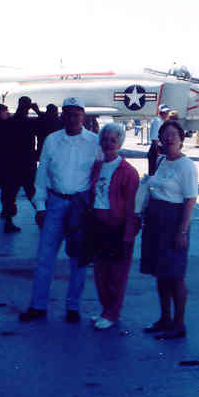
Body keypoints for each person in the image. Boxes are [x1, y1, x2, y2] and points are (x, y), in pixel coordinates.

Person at [19, 97, 102, 323]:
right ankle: (38, 306)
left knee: (78, 260)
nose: (72, 118)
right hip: (55, 203)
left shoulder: (95, 142)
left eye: (76, 113)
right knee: (45, 257)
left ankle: (73, 307)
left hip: (80, 207)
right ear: (62, 116)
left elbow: (103, 173)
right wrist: (40, 206)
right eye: (68, 113)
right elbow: (42, 174)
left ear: (83, 116)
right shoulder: (52, 141)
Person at [140, 120, 197, 339]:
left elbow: (190, 199)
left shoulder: (187, 166)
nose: (169, 138)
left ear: (182, 139)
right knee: (161, 274)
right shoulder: (162, 160)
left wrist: (182, 231)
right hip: (156, 221)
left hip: (174, 221)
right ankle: (164, 318)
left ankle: (178, 323)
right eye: (165, 134)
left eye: (174, 134)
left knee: (176, 275)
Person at [88, 123, 140, 330]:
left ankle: (112, 313)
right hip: (98, 226)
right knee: (100, 272)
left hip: (117, 227)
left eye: (113, 140)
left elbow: (132, 206)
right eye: (105, 139)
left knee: (116, 274)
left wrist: (129, 233)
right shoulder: (97, 166)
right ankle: (105, 309)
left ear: (120, 143)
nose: (108, 143)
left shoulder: (128, 172)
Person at [147, 104, 171, 175]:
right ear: (160, 113)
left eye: (167, 112)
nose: (166, 114)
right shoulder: (157, 121)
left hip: (161, 149)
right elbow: (155, 140)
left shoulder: (162, 121)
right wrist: (158, 153)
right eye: (164, 112)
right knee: (154, 174)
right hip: (157, 149)